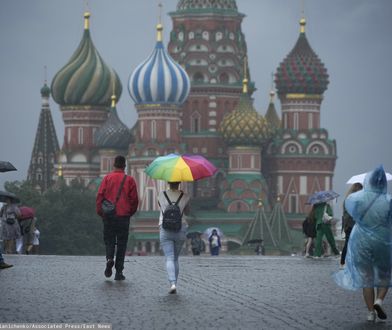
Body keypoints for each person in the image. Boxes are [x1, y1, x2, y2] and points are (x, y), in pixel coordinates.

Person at [334, 166, 392, 322]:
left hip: (361, 240)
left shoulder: (356, 198)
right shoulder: (389, 200)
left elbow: (351, 210)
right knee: (384, 274)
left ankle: (370, 313)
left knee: (367, 277)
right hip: (382, 241)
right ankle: (379, 300)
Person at [96, 155, 139, 281]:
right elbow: (134, 200)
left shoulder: (107, 178)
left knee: (109, 240)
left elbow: (100, 196)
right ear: (124, 166)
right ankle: (119, 272)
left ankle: (110, 259)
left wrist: (101, 212)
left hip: (108, 216)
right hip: (123, 216)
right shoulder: (129, 180)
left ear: (114, 165)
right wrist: (129, 212)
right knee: (122, 244)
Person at [158, 181, 190, 294]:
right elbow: (188, 212)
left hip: (165, 228)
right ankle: (174, 283)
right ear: (179, 183)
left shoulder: (161, 195)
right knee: (175, 258)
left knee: (169, 257)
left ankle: (172, 283)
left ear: (168, 182)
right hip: (180, 228)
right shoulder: (185, 196)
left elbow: (161, 207)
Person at [340, 183, 363, 267]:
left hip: (348, 224)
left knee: (349, 243)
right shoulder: (353, 200)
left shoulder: (348, 199)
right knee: (349, 243)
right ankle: (343, 262)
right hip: (351, 224)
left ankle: (343, 262)